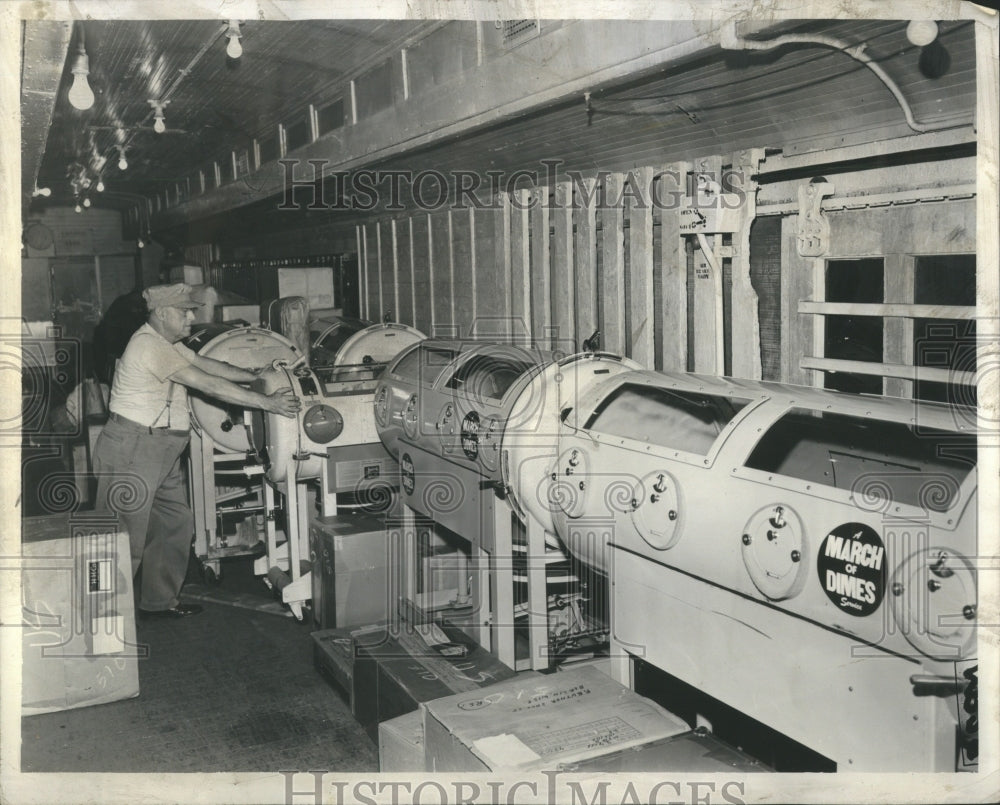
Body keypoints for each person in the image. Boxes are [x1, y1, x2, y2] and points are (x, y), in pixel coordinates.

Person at [92, 283, 301, 619]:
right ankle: (100, 617)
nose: (192, 316)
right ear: (161, 313)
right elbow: (206, 384)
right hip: (134, 448)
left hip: (161, 448)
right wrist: (269, 403)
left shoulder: (167, 343)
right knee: (122, 535)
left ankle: (159, 602)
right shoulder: (148, 345)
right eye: (184, 311)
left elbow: (208, 365)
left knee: (175, 522)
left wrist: (255, 376)